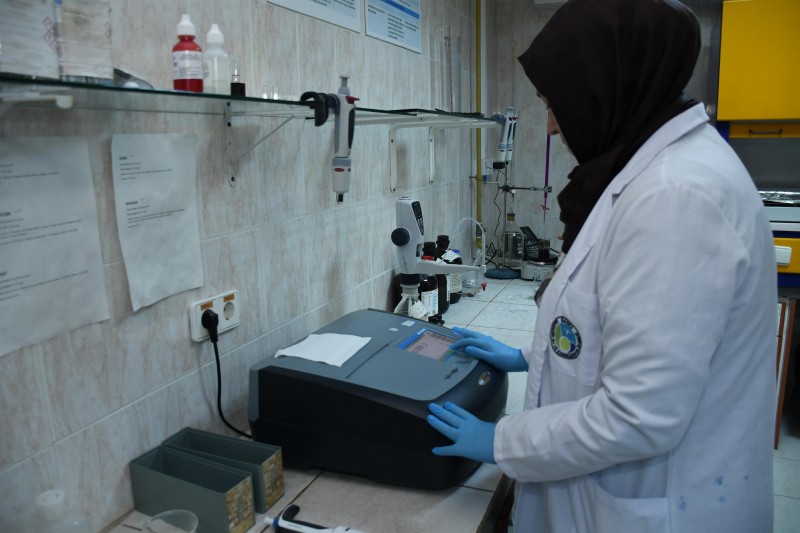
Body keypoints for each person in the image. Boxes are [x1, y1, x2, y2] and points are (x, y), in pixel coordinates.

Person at [426, 0, 777, 531]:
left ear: (605, 87)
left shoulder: (676, 197)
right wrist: (529, 356)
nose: (550, 126)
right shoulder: (646, 172)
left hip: (662, 508)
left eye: (554, 103)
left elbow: (639, 416)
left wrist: (501, 440)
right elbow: (628, 331)